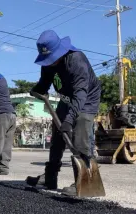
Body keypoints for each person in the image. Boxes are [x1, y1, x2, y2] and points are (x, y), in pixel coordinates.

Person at [25, 30, 101, 194]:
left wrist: (69, 120)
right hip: (66, 99)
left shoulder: (76, 60)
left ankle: (84, 181)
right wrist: (37, 90)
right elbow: (44, 83)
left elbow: (80, 94)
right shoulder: (48, 64)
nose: (50, 63)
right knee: (57, 137)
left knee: (80, 136)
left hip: (86, 100)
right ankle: (50, 178)